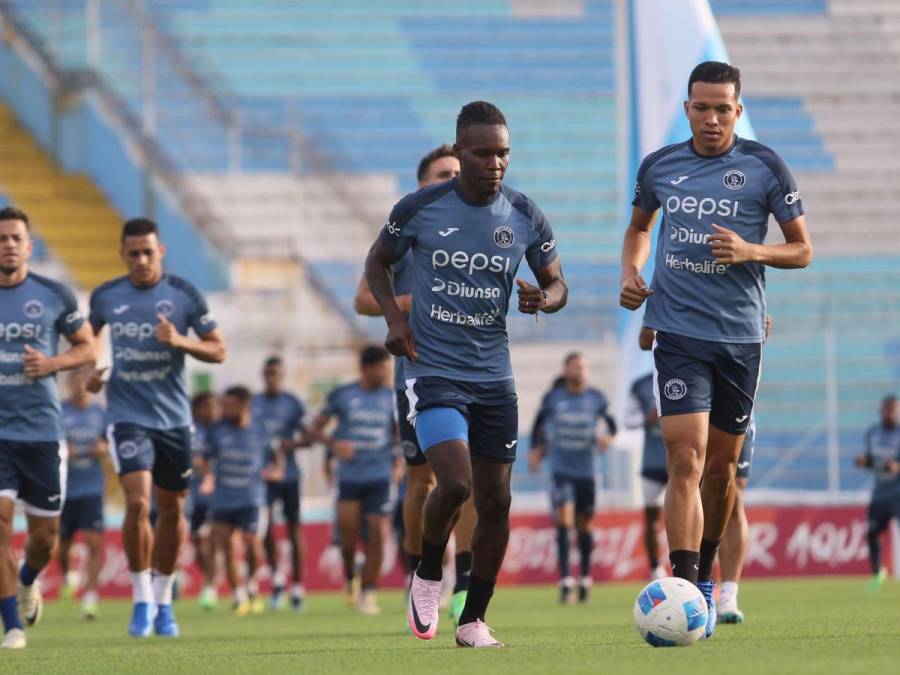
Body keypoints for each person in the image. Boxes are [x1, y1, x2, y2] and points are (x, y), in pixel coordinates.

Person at [619, 61, 811, 639]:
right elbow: (638, 228)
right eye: (701, 107)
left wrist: (753, 251)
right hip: (677, 332)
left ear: (738, 110)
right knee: (686, 459)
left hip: (741, 338)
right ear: (686, 109)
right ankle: (685, 582)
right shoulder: (660, 167)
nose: (711, 118)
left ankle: (706, 573)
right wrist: (631, 270)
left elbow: (801, 251)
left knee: (722, 473)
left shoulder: (764, 167)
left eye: (722, 108)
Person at [365, 100, 567, 647]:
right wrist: (395, 319)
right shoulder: (420, 208)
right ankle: (428, 573)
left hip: (493, 376)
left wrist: (543, 299)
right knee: (454, 482)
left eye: (502, 152)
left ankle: (474, 618)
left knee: (497, 500)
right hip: (432, 371)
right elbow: (376, 263)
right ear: (460, 152)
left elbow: (558, 283)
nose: (494, 162)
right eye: (482, 153)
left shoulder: (524, 215)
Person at [354, 144, 476, 624]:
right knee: (423, 479)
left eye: (458, 172)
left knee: (472, 478)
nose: (453, 178)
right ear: (423, 183)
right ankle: (418, 574)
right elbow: (363, 298)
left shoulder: (480, 226)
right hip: (418, 372)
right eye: (443, 173)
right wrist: (410, 303)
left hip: (475, 368)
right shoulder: (402, 233)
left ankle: (464, 582)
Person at [87, 218, 226, 638]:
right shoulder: (106, 296)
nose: (142, 260)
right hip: (127, 416)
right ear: (123, 254)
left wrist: (181, 341)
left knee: (171, 508)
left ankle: (165, 601)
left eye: (149, 252)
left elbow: (219, 350)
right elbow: (87, 338)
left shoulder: (183, 295)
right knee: (136, 502)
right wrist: (93, 368)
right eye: (134, 253)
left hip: (174, 421)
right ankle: (141, 597)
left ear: (161, 251)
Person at [0, 207, 95, 650]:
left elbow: (87, 347)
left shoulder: (54, 294)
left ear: (29, 245)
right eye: (2, 238)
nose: (9, 244)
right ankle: (11, 628)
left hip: (40, 432)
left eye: (16, 238)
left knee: (44, 540)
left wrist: (52, 364)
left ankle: (28, 578)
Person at [309, 346, 400, 616]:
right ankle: (351, 575)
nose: (386, 373)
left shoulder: (393, 397)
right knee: (347, 536)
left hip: (380, 475)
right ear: (366, 368)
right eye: (382, 367)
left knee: (378, 534)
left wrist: (398, 462)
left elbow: (400, 433)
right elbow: (315, 429)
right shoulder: (343, 395)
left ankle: (369, 591)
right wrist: (334, 443)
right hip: (349, 476)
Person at [529, 352, 615, 604]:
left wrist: (608, 437)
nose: (581, 371)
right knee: (564, 523)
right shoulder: (553, 398)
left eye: (584, 367)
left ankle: (585, 577)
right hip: (561, 470)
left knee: (585, 527)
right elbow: (538, 426)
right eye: (576, 366)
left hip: (587, 470)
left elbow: (612, 425)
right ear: (565, 370)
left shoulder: (596, 398)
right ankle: (566, 580)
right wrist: (536, 450)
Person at [200, 386, 281, 616]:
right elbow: (203, 458)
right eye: (224, 405)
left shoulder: (260, 429)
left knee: (252, 544)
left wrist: (277, 471)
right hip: (223, 498)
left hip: (252, 498)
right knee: (226, 547)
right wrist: (207, 476)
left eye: (231, 405)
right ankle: (239, 596)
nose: (225, 409)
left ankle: (252, 582)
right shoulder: (216, 430)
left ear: (245, 406)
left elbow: (276, 455)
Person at [717, 313, 770, 623]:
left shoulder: (744, 288)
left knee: (733, 495)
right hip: (695, 408)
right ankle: (699, 587)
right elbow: (646, 338)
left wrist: (755, 325)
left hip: (739, 411)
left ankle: (729, 594)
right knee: (696, 493)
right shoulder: (683, 280)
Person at [252, 356, 309, 612]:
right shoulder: (254, 404)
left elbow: (308, 438)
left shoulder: (293, 403)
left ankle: (297, 586)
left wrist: (290, 445)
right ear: (263, 375)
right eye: (268, 374)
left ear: (282, 375)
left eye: (276, 374)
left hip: (290, 475)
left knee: (294, 529)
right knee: (265, 530)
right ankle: (276, 579)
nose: (272, 378)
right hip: (263, 475)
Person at [58, 367, 108, 620]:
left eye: (82, 382)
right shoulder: (60, 411)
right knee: (61, 545)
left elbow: (110, 440)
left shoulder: (100, 413)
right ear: (68, 385)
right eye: (74, 382)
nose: (79, 387)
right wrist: (64, 450)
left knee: (93, 543)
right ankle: (68, 574)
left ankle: (90, 597)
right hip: (65, 488)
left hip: (91, 488)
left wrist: (104, 447)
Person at [625, 327, 667, 580]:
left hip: (679, 459)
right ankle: (654, 567)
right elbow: (627, 420)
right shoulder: (640, 384)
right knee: (651, 516)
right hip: (651, 462)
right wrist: (646, 418)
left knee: (682, 511)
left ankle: (685, 563)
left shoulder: (684, 377)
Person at [854, 395, 900, 593]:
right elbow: (873, 460)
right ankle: (876, 574)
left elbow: (895, 466)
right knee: (873, 532)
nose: (889, 413)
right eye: (887, 409)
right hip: (879, 494)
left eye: (894, 409)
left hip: (898, 493)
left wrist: (897, 466)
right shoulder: (873, 433)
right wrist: (864, 461)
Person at [189, 392, 221, 610]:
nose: (210, 411)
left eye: (214, 406)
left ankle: (211, 585)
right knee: (198, 541)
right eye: (205, 406)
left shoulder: (223, 430)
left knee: (213, 540)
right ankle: (208, 578)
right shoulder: (192, 431)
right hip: (193, 494)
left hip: (220, 496)